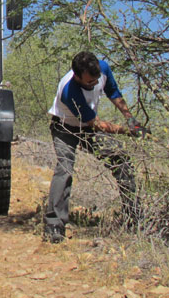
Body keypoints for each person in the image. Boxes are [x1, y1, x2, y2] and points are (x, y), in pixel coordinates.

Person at [44, 51, 146, 243]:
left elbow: (114, 92)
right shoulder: (68, 90)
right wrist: (127, 131)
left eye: (96, 80)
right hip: (65, 127)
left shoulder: (103, 69)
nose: (94, 84)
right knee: (64, 168)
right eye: (89, 82)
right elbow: (95, 123)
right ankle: (54, 225)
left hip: (87, 127)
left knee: (120, 158)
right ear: (77, 76)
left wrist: (131, 119)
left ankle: (135, 217)